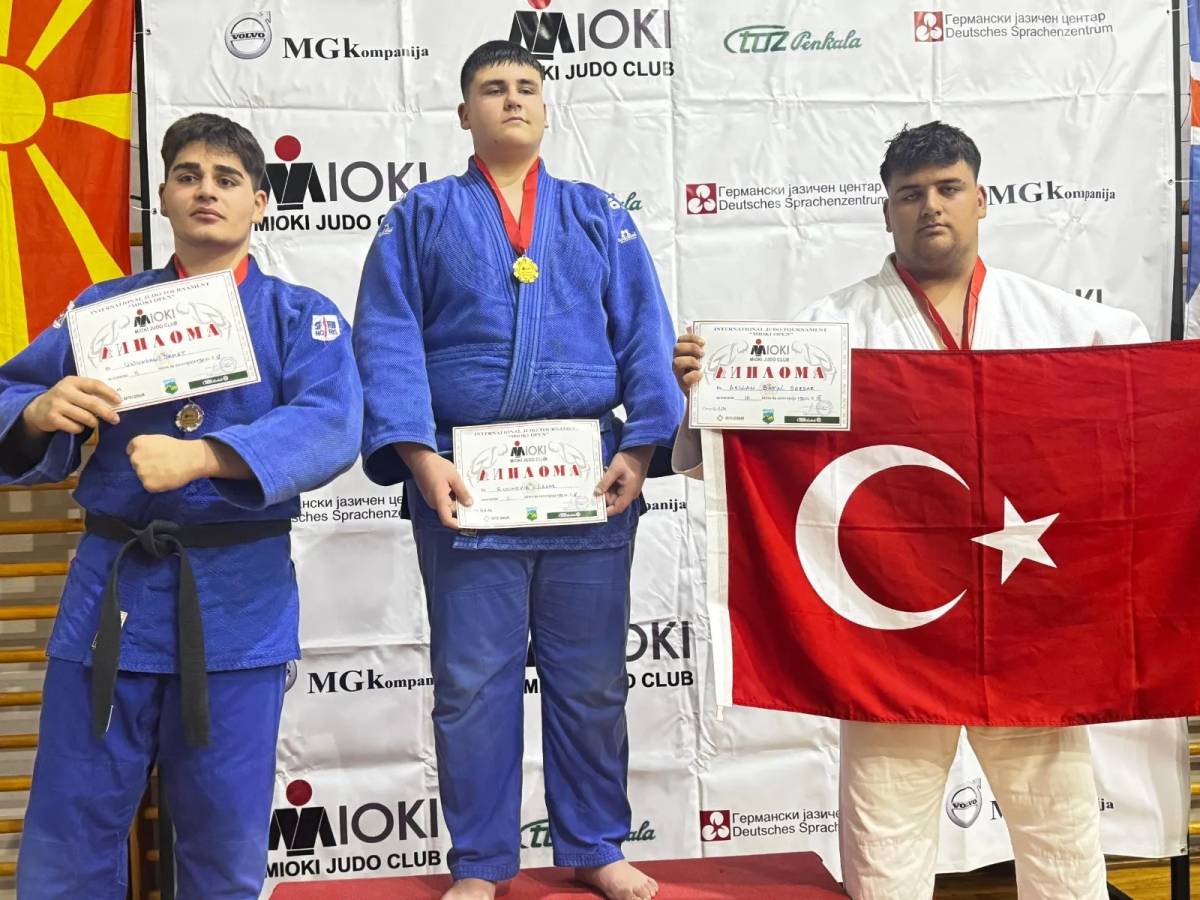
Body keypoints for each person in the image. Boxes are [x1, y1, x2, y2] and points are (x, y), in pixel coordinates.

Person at [672, 121, 1148, 900]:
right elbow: (743, 459)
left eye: (949, 189)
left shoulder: (1064, 325)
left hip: (1025, 627)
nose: (931, 206)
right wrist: (710, 392)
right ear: (887, 210)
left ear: (981, 199)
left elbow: (1144, 407)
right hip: (890, 630)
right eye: (911, 194)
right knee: (884, 855)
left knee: (1063, 842)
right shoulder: (828, 331)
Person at [0, 113, 362, 899]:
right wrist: (35, 411)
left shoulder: (299, 316)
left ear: (259, 202)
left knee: (224, 839)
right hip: (113, 594)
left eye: (227, 179)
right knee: (70, 830)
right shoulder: (103, 312)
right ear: (162, 196)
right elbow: (11, 389)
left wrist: (206, 456)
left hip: (238, 602)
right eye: (189, 176)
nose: (207, 191)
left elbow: (333, 424)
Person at [353, 39, 680, 900]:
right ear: (464, 112)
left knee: (592, 679)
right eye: (492, 88)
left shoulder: (597, 214)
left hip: (587, 480)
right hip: (465, 480)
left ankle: (596, 844)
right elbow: (387, 339)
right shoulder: (419, 216)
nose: (511, 100)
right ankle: (481, 860)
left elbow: (644, 332)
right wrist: (419, 455)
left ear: (546, 107)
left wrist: (641, 445)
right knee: (470, 684)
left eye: (526, 87)